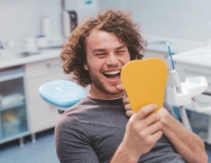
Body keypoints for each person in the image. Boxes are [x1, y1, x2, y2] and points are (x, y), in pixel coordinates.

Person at [55, 10, 208, 163]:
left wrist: (161, 115)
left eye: (120, 51)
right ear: (84, 63)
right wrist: (131, 149)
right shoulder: (72, 124)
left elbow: (200, 158)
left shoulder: (150, 98)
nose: (113, 61)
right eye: (101, 54)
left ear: (130, 55)